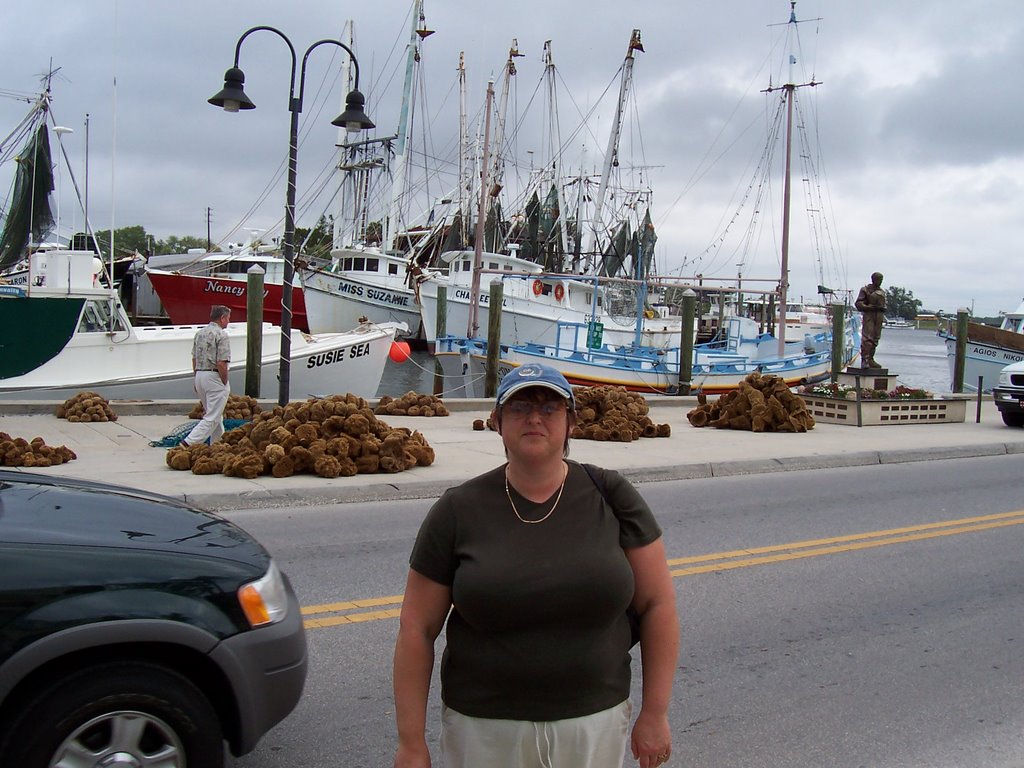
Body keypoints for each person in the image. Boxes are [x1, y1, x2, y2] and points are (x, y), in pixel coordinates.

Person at [392, 363, 679, 768]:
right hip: (483, 731)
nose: (534, 418)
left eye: (550, 408)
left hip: (592, 726)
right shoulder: (458, 509)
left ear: (571, 423)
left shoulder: (612, 495)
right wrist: (411, 742)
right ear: (496, 422)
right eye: (519, 406)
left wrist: (655, 713)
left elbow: (658, 605)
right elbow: (416, 629)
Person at [182, 305, 231, 447]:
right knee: (211, 417)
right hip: (213, 377)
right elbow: (221, 362)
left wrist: (196, 377)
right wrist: (224, 381)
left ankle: (217, 445)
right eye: (228, 318)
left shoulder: (200, 333)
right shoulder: (222, 335)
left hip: (200, 375)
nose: (228, 322)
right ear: (222, 318)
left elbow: (194, 358)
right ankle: (187, 444)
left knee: (216, 416)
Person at [855, 272, 886, 369]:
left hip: (879, 315)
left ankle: (871, 359)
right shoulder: (865, 290)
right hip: (869, 315)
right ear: (873, 279)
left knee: (876, 338)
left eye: (881, 280)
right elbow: (859, 303)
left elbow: (884, 304)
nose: (880, 282)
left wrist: (883, 308)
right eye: (878, 279)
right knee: (867, 338)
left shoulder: (882, 292)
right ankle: (865, 360)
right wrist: (868, 307)